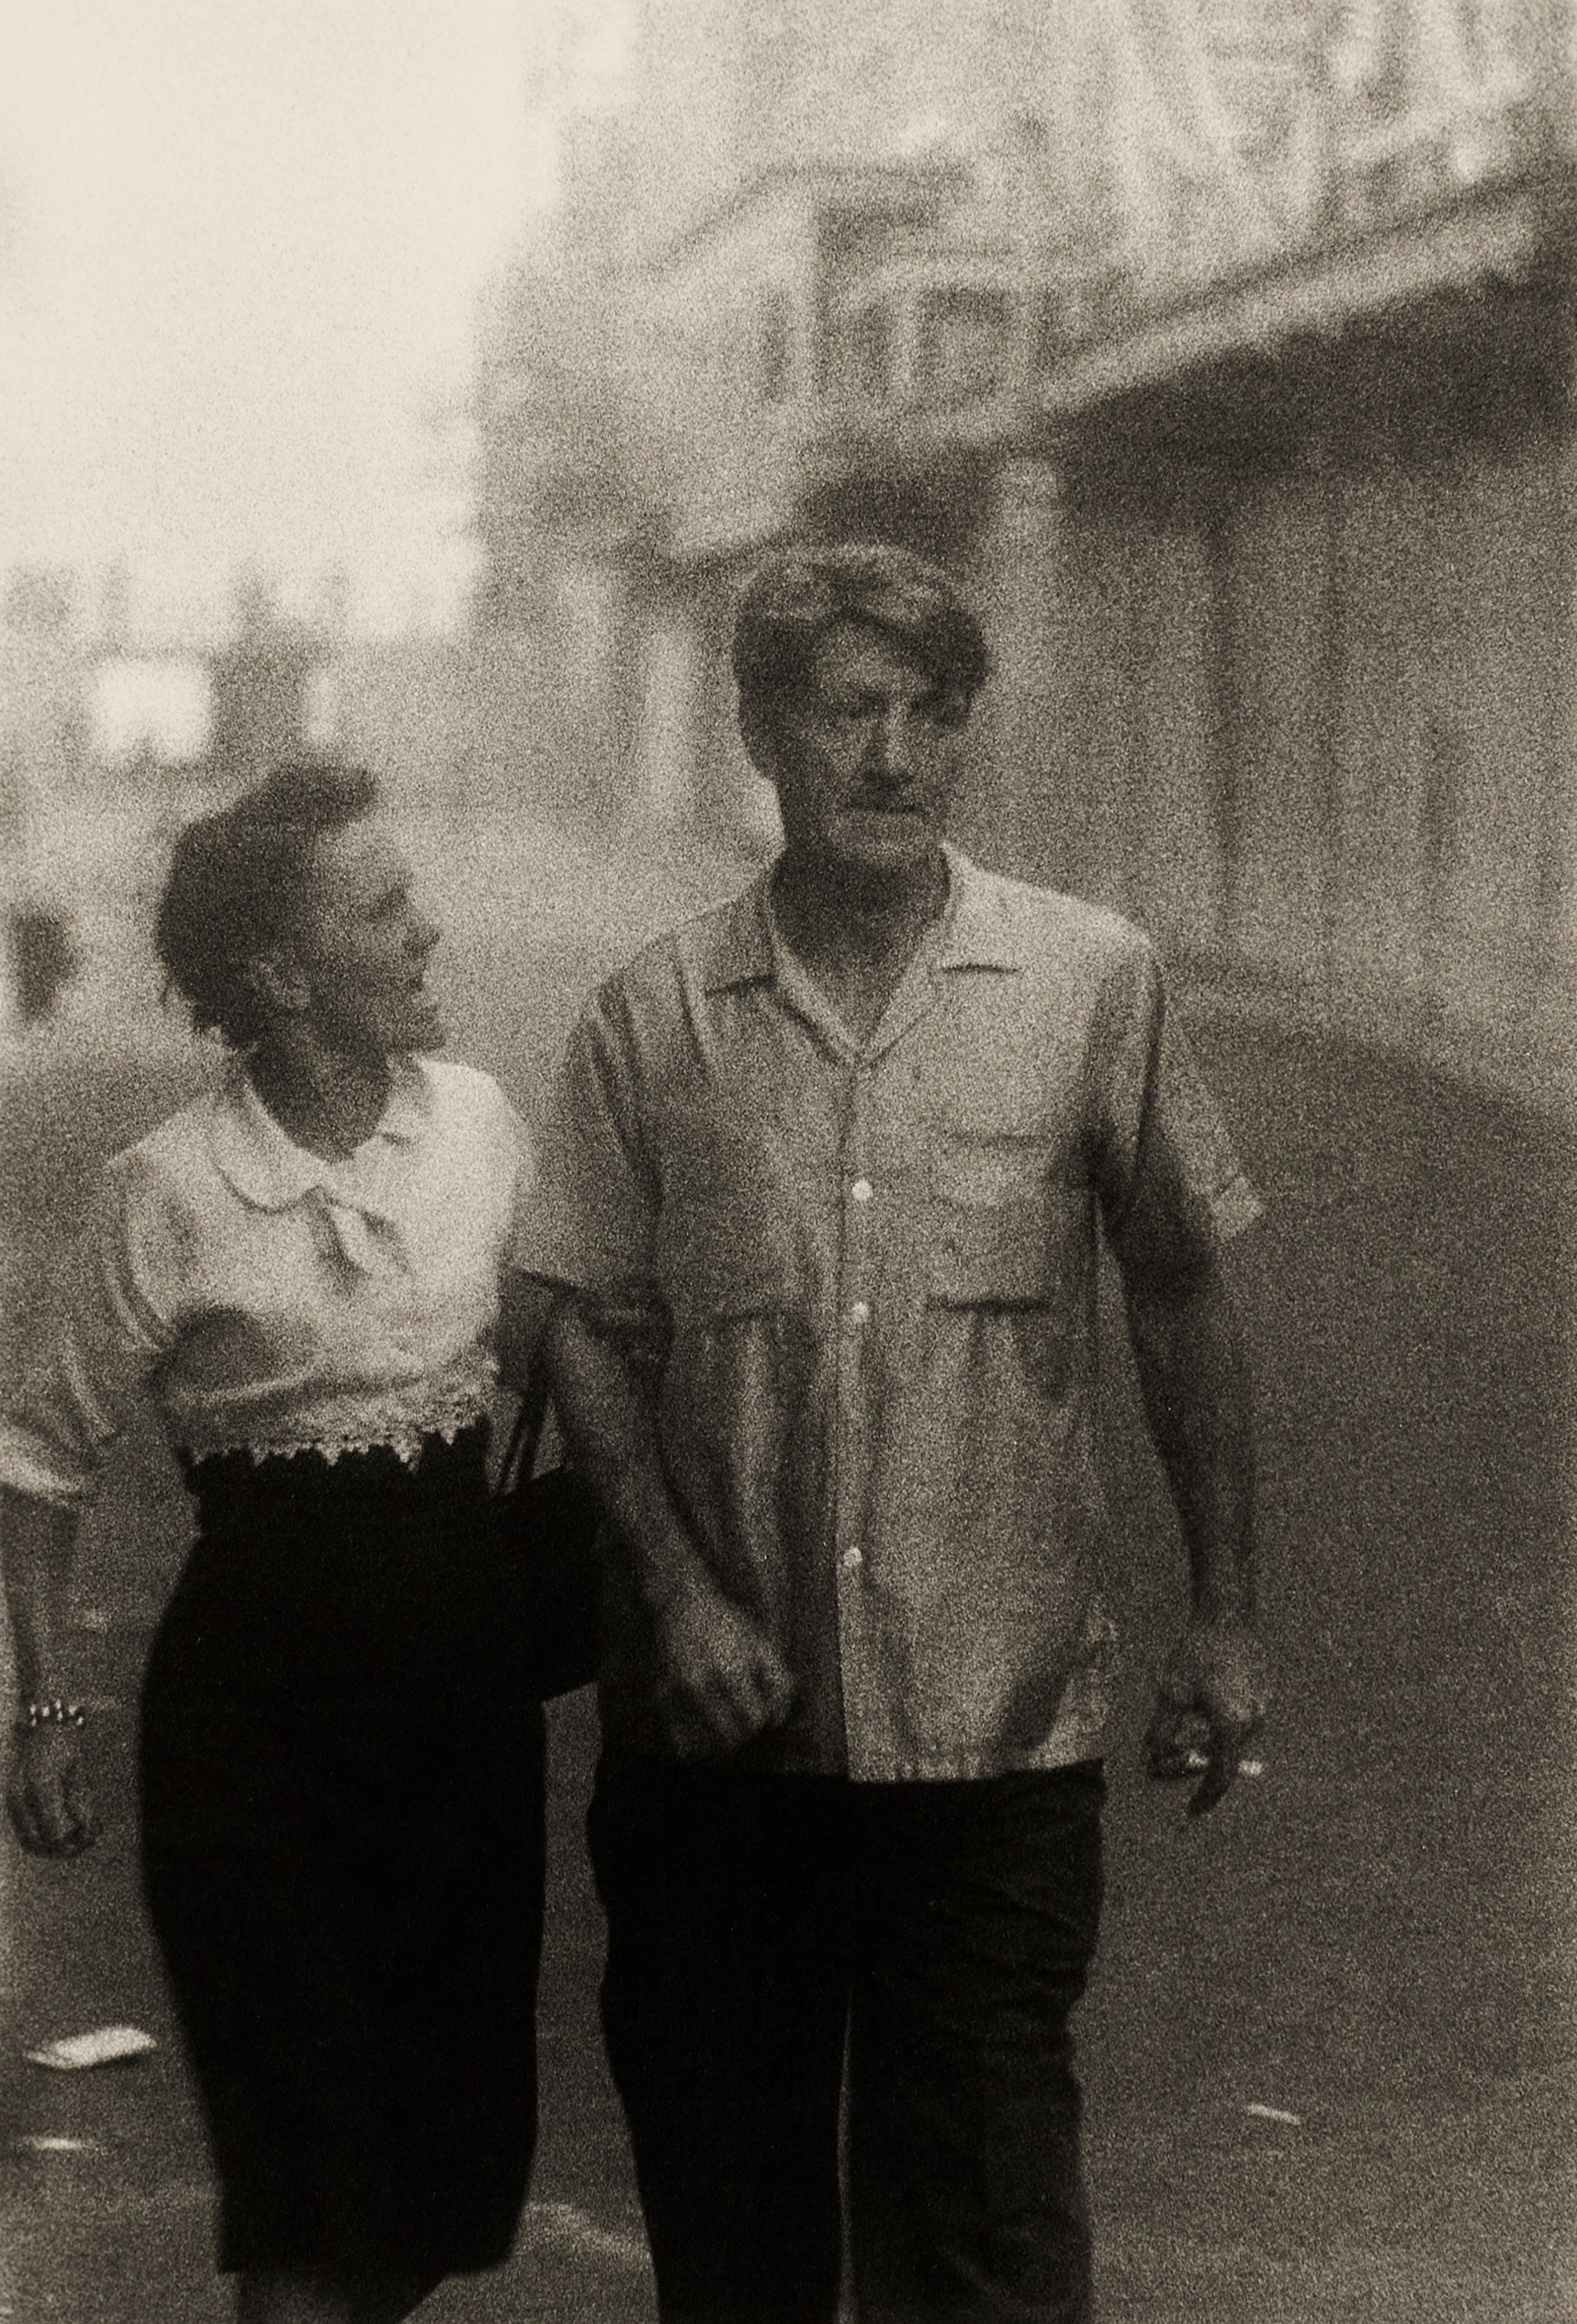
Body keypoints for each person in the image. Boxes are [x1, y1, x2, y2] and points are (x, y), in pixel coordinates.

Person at [513, 541, 1272, 2324]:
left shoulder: (1090, 980)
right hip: (720, 1762)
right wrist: (675, 1596)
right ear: (760, 730)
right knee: (739, 2261)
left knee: (990, 2254)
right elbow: (577, 1324)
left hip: (993, 1752)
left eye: (934, 713)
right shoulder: (653, 1017)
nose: (895, 753)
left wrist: (1226, 1614)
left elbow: (1179, 1290)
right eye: (851, 710)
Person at [2, 762, 550, 2324]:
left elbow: (566, 1350)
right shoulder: (167, 1188)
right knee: (302, 2184)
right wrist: (45, 1709)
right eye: (383, 908)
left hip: (459, 1719)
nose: (426, 929)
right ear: (282, 974)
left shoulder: (478, 1126)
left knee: (443, 2183)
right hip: (254, 1740)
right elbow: (38, 1463)